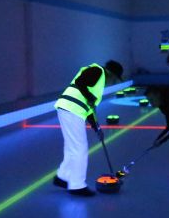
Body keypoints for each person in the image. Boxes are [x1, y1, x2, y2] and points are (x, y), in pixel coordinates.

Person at [53, 60, 124, 196]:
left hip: (70, 109)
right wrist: (90, 97)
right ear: (111, 73)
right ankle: (77, 186)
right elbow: (80, 82)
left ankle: (62, 177)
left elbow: (90, 109)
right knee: (79, 148)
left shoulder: (99, 80)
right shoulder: (97, 71)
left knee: (72, 148)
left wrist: (96, 128)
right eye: (115, 78)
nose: (113, 82)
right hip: (72, 109)